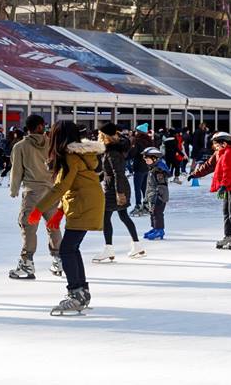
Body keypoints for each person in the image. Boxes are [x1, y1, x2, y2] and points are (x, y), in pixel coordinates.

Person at [28, 121, 105, 315]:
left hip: (83, 205)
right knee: (71, 248)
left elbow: (61, 186)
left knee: (67, 249)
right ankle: (82, 292)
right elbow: (75, 184)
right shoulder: (81, 155)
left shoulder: (71, 157)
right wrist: (60, 211)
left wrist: (39, 210)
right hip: (87, 202)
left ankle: (76, 294)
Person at [8, 115, 62, 279]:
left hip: (33, 192)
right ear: (40, 126)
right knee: (53, 225)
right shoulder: (52, 144)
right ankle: (59, 260)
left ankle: (27, 263)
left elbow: (16, 169)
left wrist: (14, 189)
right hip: (51, 191)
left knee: (29, 227)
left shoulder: (20, 146)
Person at [93, 123, 145, 263]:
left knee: (106, 217)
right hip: (116, 187)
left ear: (105, 136)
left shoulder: (112, 152)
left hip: (114, 189)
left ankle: (109, 248)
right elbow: (110, 172)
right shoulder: (111, 150)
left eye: (100, 134)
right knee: (123, 216)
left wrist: (119, 193)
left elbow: (118, 174)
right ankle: (137, 245)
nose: (98, 136)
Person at [142, 147, 170, 240]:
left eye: (147, 159)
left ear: (155, 158)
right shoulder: (153, 168)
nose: (146, 161)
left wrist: (159, 196)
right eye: (145, 159)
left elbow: (161, 184)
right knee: (153, 212)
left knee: (157, 213)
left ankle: (160, 230)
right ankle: (155, 228)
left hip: (159, 196)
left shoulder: (159, 170)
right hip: (153, 195)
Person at [128, 124, 153, 216]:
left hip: (139, 167)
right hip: (147, 167)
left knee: (137, 187)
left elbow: (133, 154)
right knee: (144, 188)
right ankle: (146, 205)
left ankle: (138, 205)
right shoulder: (150, 141)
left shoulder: (137, 141)